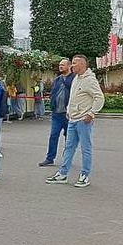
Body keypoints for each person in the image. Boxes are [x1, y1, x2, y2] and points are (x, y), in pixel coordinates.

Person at [45, 55, 104, 188]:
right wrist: (69, 111)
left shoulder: (90, 80)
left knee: (86, 148)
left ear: (83, 64)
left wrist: (91, 113)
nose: (72, 66)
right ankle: (63, 173)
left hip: (83, 120)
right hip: (72, 119)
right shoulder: (76, 78)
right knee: (69, 147)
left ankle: (85, 175)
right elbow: (73, 97)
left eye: (75, 63)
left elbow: (99, 98)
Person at [38, 59, 76, 167]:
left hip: (68, 114)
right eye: (60, 65)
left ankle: (67, 159)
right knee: (53, 135)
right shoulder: (57, 79)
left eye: (63, 65)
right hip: (56, 113)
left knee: (69, 137)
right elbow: (54, 92)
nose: (60, 67)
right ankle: (50, 158)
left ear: (69, 66)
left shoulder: (73, 78)